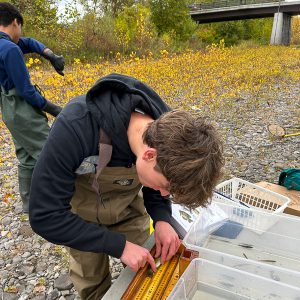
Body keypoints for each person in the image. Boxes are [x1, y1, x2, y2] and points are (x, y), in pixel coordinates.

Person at [29, 73, 224, 299]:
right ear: (149, 154)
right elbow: (44, 215)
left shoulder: (168, 131)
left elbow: (161, 179)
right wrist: (119, 247)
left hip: (129, 208)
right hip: (80, 218)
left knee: (148, 268)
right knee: (91, 282)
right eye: (165, 188)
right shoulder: (75, 127)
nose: (163, 194)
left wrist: (162, 217)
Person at [0, 2, 65, 213]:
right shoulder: (9, 49)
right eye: (21, 27)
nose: (21, 33)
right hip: (21, 108)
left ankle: (29, 203)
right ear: (15, 22)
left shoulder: (5, 44)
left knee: (26, 155)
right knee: (49, 151)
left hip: (8, 109)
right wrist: (55, 109)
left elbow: (28, 42)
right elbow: (27, 91)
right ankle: (57, 204)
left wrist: (49, 54)